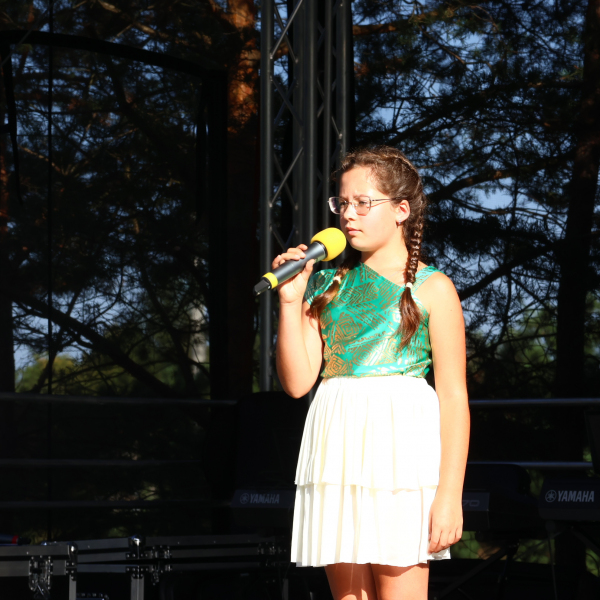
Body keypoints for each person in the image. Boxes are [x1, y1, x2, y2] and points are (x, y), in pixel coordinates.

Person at [273, 146, 470, 600]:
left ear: (402, 210)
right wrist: (290, 302)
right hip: (336, 450)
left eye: (363, 202)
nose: (348, 214)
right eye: (342, 203)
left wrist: (449, 494)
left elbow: (453, 397)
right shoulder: (324, 285)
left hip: (400, 457)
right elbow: (298, 383)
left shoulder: (433, 287)